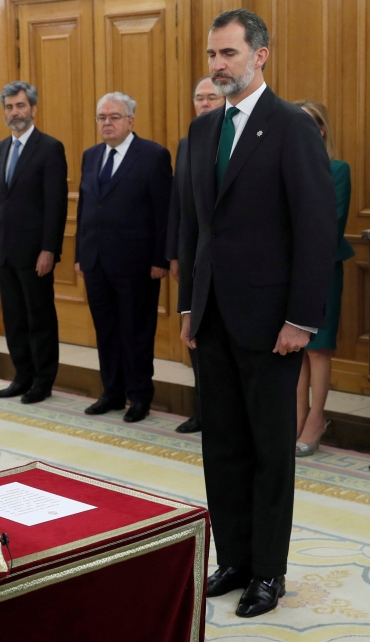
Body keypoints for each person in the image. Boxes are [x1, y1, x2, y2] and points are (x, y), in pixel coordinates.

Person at [176, 9, 335, 617]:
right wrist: (190, 304)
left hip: (274, 326)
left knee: (271, 451)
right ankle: (236, 557)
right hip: (213, 318)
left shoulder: (291, 126)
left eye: (229, 54)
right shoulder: (202, 131)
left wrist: (301, 317)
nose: (218, 65)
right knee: (222, 445)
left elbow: (316, 228)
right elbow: (196, 229)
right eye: (212, 55)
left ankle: (268, 571)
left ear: (260, 56)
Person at [75, 92, 172, 423]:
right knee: (106, 331)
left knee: (136, 332)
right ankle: (112, 392)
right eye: (102, 117)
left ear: (130, 120)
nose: (107, 123)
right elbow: (85, 206)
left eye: (114, 117)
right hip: (96, 261)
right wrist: (79, 253)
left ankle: (140, 396)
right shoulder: (90, 156)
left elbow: (164, 211)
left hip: (137, 264)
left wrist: (161, 258)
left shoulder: (153, 156)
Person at [0, 81, 68, 404]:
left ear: (33, 108)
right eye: (9, 107)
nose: (15, 113)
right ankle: (21, 375)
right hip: (6, 253)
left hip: (36, 253)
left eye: (20, 106)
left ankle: (43, 380)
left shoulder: (50, 148)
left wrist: (49, 249)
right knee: (14, 318)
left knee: (40, 319)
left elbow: (56, 204)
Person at [291, 100, 354, 457]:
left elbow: (333, 223)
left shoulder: (337, 168)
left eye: (311, 123)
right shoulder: (286, 165)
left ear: (322, 129)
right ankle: (297, 416)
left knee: (318, 348)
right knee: (296, 349)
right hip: (289, 272)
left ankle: (316, 419)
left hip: (323, 269)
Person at [167, 76, 225, 434]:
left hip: (230, 260)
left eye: (211, 97)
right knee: (195, 335)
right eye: (199, 98)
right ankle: (202, 409)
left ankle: (220, 414)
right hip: (194, 257)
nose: (204, 103)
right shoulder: (188, 142)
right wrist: (175, 254)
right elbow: (180, 204)